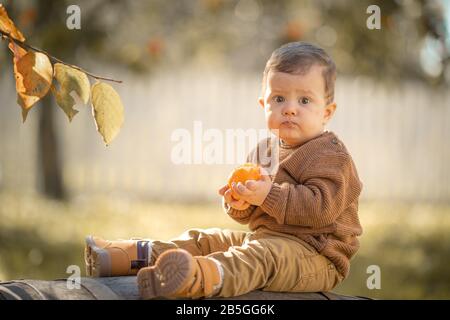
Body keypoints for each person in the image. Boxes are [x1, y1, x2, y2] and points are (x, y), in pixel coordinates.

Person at [84, 41, 363, 299]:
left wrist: (268, 195)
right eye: (279, 99)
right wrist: (239, 202)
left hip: (316, 255)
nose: (290, 109)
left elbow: (320, 208)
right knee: (208, 239)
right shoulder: (264, 151)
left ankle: (196, 279)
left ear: (327, 112)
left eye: (304, 101)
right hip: (266, 238)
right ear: (263, 104)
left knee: (259, 257)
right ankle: (124, 256)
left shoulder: (331, 155)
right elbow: (254, 215)